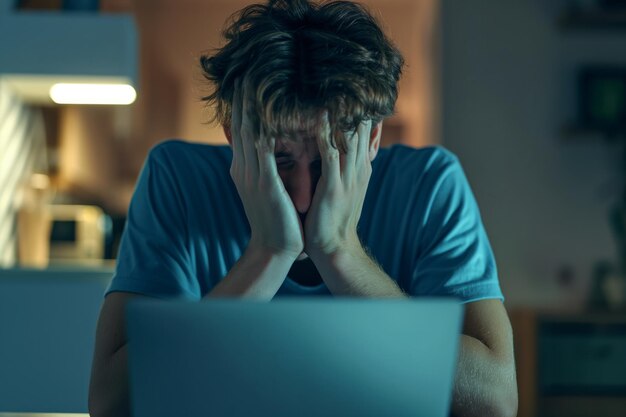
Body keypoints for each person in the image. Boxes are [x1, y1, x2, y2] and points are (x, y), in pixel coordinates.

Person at [88, 1, 518, 416]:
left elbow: (496, 398)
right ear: (234, 136)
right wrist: (267, 256)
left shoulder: (430, 184)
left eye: (327, 161)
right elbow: (110, 403)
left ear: (371, 141)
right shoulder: (177, 178)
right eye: (281, 161)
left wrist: (340, 252)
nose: (303, 197)